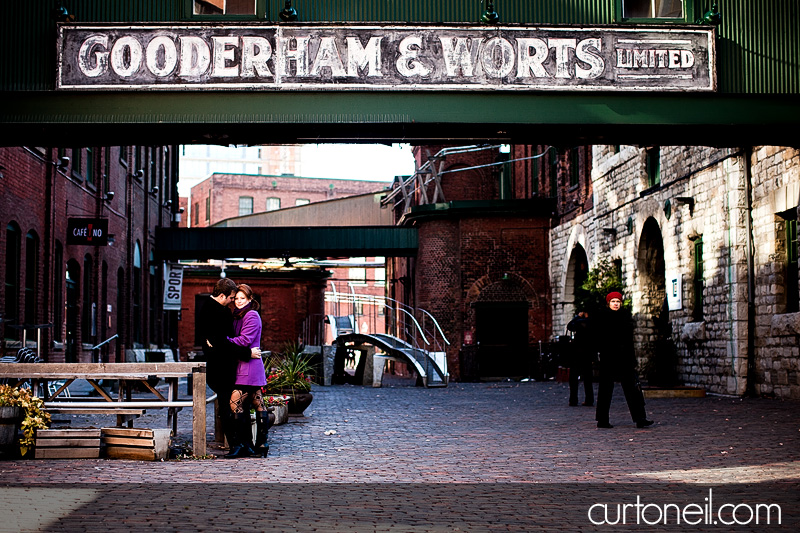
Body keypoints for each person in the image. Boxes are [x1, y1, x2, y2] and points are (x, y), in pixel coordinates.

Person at [196, 278, 260, 450]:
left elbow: (218, 343)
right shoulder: (216, 311)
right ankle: (237, 445)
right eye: (232, 297)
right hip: (222, 369)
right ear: (223, 295)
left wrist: (216, 344)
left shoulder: (212, 308)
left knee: (233, 407)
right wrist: (247, 353)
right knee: (229, 408)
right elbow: (221, 344)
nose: (233, 301)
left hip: (222, 367)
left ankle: (242, 445)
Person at [595, 291, 654, 429]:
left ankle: (640, 418)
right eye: (613, 301)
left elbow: (629, 341)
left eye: (618, 301)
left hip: (624, 358)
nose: (615, 304)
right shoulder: (603, 317)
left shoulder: (625, 317)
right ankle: (602, 420)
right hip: (608, 358)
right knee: (605, 390)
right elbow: (598, 339)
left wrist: (632, 359)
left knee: (633, 389)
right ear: (608, 303)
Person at [224, 284, 269, 458]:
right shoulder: (238, 316)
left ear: (250, 299)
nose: (239, 301)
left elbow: (245, 340)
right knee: (258, 402)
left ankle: (241, 444)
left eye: (243, 298)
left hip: (248, 366)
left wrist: (222, 341)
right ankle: (259, 444)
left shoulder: (251, 315)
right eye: (236, 298)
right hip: (246, 364)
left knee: (235, 402)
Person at [566, 311, 594, 407]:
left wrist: (577, 317)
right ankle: (589, 399)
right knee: (588, 379)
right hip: (588, 353)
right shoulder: (591, 323)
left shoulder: (578, 323)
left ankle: (573, 400)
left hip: (577, 353)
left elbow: (569, 326)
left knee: (573, 378)